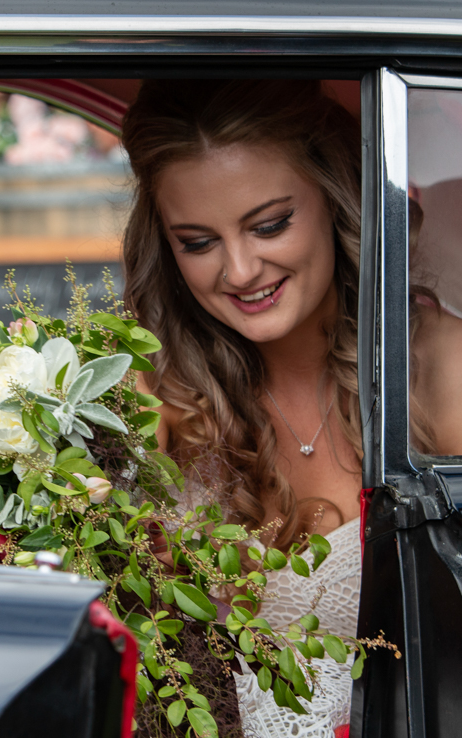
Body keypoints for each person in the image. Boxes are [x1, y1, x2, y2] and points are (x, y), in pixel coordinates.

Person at [121, 78, 462, 737]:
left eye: (270, 225)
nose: (241, 271)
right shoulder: (149, 392)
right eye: (198, 242)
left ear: (335, 198)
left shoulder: (440, 368)